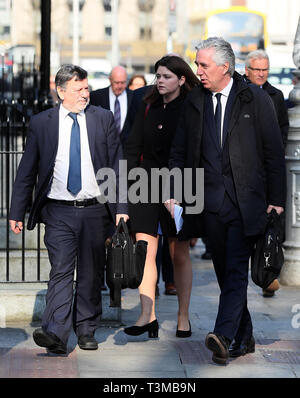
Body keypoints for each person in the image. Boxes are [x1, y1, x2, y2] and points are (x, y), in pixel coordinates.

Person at [168, 37, 286, 365]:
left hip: (246, 202)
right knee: (223, 269)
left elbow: (274, 154)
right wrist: (173, 191)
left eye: (203, 65)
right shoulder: (194, 102)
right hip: (208, 205)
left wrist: (276, 200)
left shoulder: (255, 99)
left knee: (234, 269)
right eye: (197, 64)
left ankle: (223, 335)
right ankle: (244, 335)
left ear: (224, 67)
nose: (198, 71)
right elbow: (179, 151)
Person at [9, 64, 128, 355]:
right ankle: (56, 334)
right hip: (58, 210)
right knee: (61, 270)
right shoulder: (42, 123)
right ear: (61, 92)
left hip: (94, 209)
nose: (85, 94)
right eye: (78, 89)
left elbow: (117, 165)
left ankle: (86, 329)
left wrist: (121, 207)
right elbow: (27, 171)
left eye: (86, 88)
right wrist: (16, 212)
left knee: (89, 272)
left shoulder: (103, 119)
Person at [124, 55, 200, 338]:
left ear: (181, 79)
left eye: (167, 76)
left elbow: (195, 152)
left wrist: (181, 192)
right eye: (158, 75)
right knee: (144, 252)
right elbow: (132, 146)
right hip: (144, 184)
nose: (160, 81)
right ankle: (147, 315)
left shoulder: (191, 107)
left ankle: (183, 316)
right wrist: (128, 184)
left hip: (180, 185)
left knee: (178, 253)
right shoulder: (146, 104)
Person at [245, 49, 289, 298]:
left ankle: (268, 273)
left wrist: (276, 147)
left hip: (269, 167)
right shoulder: (240, 94)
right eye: (257, 70)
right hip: (248, 169)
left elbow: (283, 127)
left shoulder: (276, 95)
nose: (261, 74)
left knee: (271, 223)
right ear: (247, 70)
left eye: (265, 70)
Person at [89, 65, 133, 146]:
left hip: (125, 151)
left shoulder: (133, 96)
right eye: (116, 82)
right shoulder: (96, 96)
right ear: (110, 80)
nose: (119, 86)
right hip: (104, 149)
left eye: (123, 82)